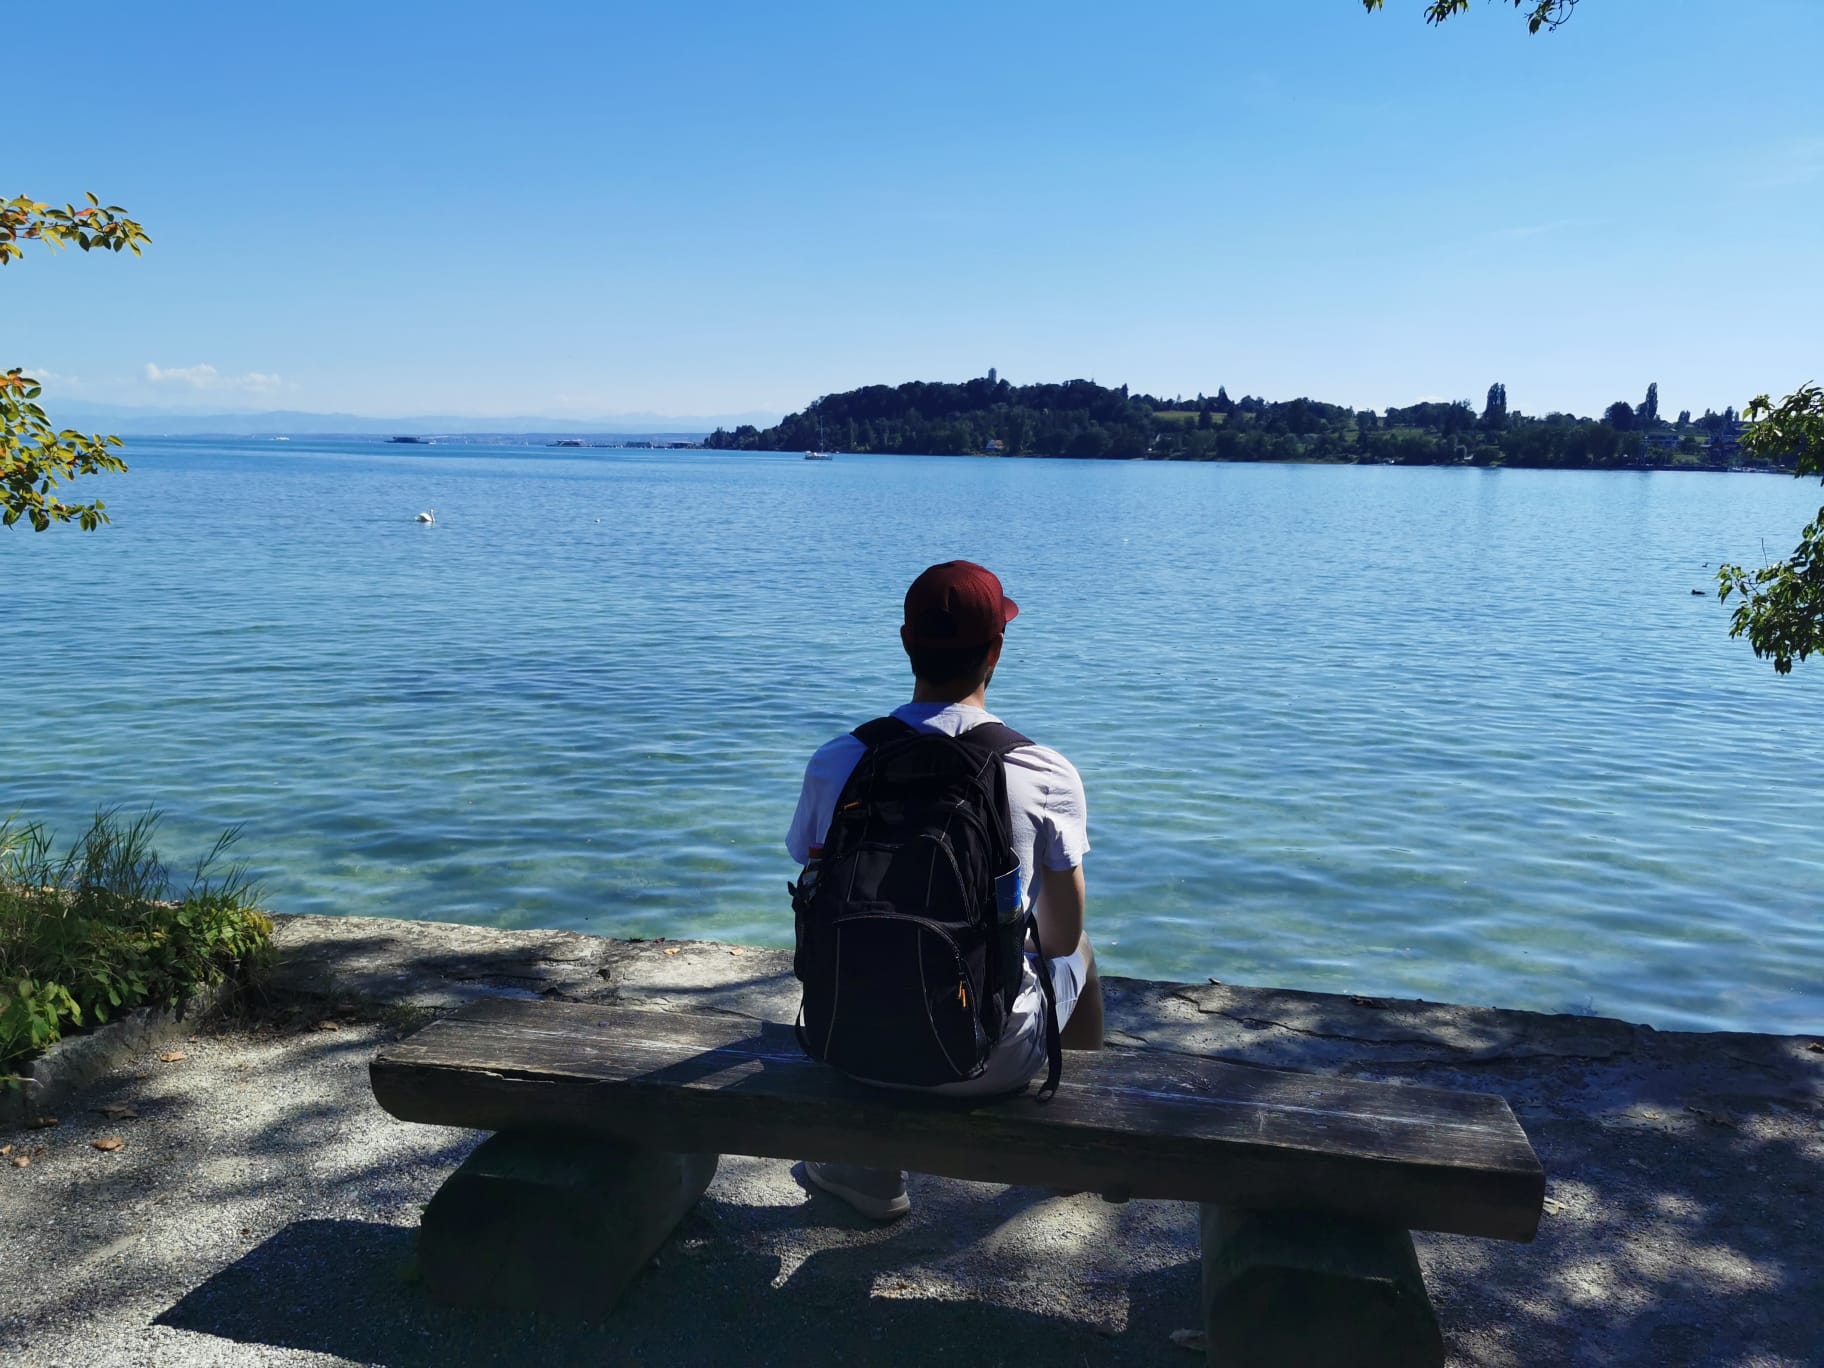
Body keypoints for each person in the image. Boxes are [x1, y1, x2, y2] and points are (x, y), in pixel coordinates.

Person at [784, 560, 1103, 1221]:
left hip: (848, 1044)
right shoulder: (1043, 770)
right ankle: (1075, 1153)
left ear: (907, 641)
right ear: (997, 649)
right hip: (987, 1060)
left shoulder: (837, 760)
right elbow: (1060, 938)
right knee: (1083, 952)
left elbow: (816, 891)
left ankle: (868, 1173)